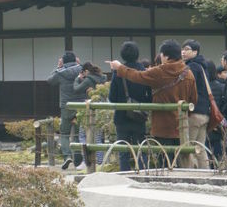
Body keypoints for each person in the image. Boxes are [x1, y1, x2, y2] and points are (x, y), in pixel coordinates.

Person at [108, 39, 198, 162]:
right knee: (181, 159)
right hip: (181, 125)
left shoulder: (160, 72)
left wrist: (120, 68)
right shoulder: (189, 74)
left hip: (162, 126)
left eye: (161, 54)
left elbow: (137, 76)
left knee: (164, 160)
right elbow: (194, 100)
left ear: (166, 56)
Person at [108, 41, 151, 171]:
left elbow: (111, 97)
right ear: (137, 54)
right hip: (140, 116)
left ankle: (124, 177)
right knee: (141, 149)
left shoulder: (118, 72)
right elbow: (150, 96)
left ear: (122, 55)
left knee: (123, 151)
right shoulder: (143, 71)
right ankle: (143, 174)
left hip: (122, 116)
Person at [47, 51, 82, 170]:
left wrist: (58, 67)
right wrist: (79, 65)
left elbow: (50, 80)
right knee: (77, 133)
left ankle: (67, 156)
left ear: (63, 61)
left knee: (65, 133)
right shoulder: (82, 70)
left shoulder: (61, 73)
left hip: (66, 106)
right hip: (81, 106)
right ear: (76, 60)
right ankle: (78, 158)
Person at [181, 39, 211, 169]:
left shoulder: (192, 67)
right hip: (205, 113)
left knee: (189, 148)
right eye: (182, 49)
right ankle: (207, 174)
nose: (183, 52)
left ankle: (189, 174)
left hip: (194, 112)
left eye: (187, 49)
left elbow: (188, 89)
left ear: (195, 51)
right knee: (200, 148)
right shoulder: (202, 66)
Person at [70, 62, 104, 172]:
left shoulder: (88, 80)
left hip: (89, 109)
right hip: (101, 109)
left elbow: (76, 89)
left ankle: (87, 161)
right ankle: (99, 161)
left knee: (83, 135)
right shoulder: (102, 78)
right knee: (98, 137)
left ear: (85, 71)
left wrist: (78, 79)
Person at [206, 60, 226, 166]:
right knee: (217, 143)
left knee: (206, 144)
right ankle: (218, 164)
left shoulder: (203, 87)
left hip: (206, 118)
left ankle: (208, 165)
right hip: (217, 119)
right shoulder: (220, 86)